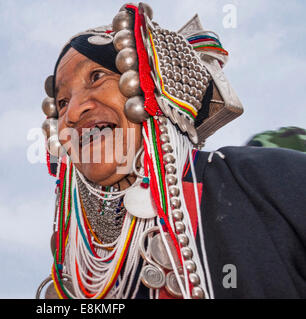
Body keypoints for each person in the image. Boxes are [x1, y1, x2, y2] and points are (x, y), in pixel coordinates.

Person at [36, 3, 306, 299]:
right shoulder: (76, 277)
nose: (73, 111)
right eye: (62, 102)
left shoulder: (267, 182)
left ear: (150, 84)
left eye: (97, 76)